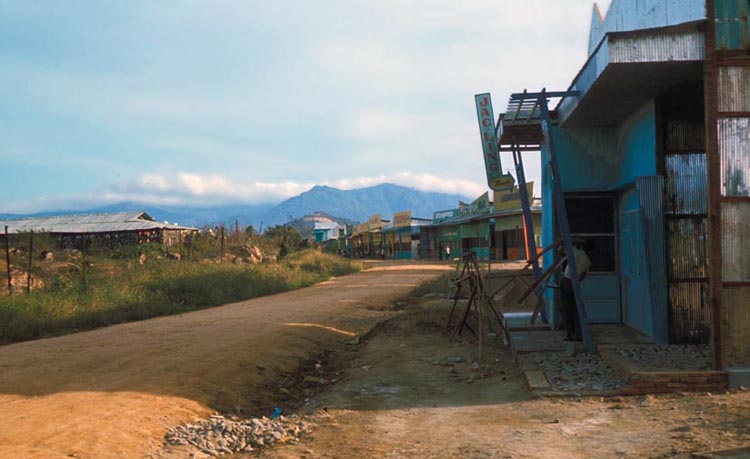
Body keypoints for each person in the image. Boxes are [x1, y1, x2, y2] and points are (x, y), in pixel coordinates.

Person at [560, 239, 591, 341]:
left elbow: (560, 250)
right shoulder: (587, 260)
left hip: (566, 281)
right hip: (575, 283)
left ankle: (569, 334)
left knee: (566, 309)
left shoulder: (574, 251)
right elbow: (583, 276)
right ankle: (577, 334)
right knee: (576, 310)